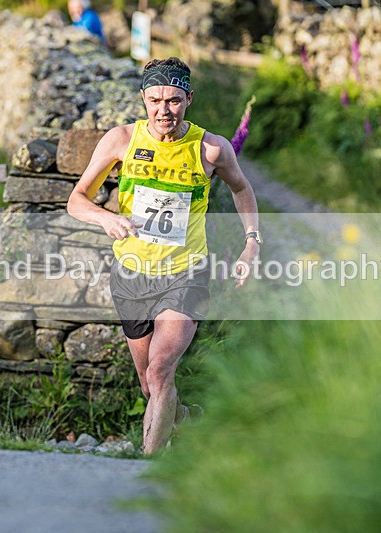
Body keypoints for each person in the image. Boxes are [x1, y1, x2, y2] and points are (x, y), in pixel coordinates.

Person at [67, 57, 260, 454]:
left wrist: (252, 241)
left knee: (160, 369)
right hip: (132, 274)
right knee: (150, 383)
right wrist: (105, 218)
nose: (163, 110)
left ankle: (149, 469)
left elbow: (242, 189)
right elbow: (76, 199)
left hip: (185, 273)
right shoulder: (121, 140)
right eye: (155, 100)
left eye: (173, 100)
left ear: (188, 99)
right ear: (143, 98)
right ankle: (185, 419)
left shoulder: (211, 149)